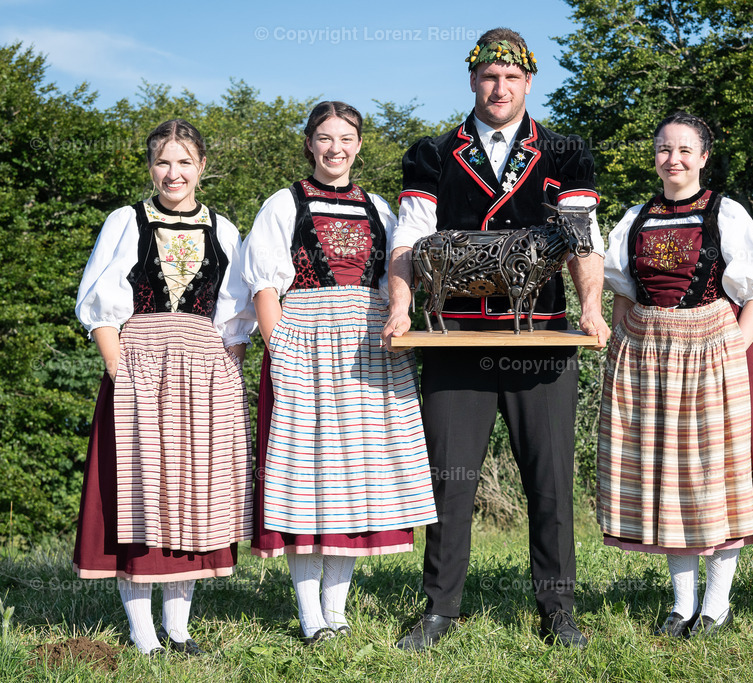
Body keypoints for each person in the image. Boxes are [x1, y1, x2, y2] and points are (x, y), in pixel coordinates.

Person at [383, 27, 610, 650]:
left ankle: (558, 609)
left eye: (511, 77)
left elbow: (582, 237)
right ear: (472, 79)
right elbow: (410, 237)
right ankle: (439, 609)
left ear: (528, 82)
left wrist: (591, 308)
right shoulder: (432, 153)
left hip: (543, 335)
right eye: (489, 76)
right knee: (449, 482)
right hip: (454, 339)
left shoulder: (564, 152)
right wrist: (401, 307)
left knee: (550, 480)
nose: (500, 87)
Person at [242, 101, 437, 645]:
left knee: (355, 482)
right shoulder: (284, 203)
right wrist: (281, 350)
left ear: (359, 145)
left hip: (368, 351)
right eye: (325, 138)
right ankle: (310, 615)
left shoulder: (379, 207)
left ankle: (337, 609)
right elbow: (263, 285)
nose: (336, 148)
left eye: (346, 138)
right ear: (310, 143)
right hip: (305, 348)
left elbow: (397, 278)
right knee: (306, 482)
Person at [74, 119, 256, 656]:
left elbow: (234, 319)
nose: (173, 173)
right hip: (140, 369)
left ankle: (178, 628)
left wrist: (229, 379)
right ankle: (142, 631)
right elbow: (100, 305)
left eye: (184, 162)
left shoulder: (224, 229)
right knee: (143, 493)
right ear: (151, 168)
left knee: (195, 495)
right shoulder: (126, 221)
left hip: (205, 375)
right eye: (163, 162)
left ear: (202, 166)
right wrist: (121, 374)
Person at [600, 111, 753, 638]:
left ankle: (716, 606)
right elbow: (621, 291)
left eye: (683, 150)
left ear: (703, 157)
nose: (672, 159)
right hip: (649, 356)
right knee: (665, 479)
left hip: (712, 354)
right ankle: (681, 606)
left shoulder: (727, 213)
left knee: (712, 478)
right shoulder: (635, 217)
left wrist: (734, 347)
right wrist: (622, 343)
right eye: (663, 149)